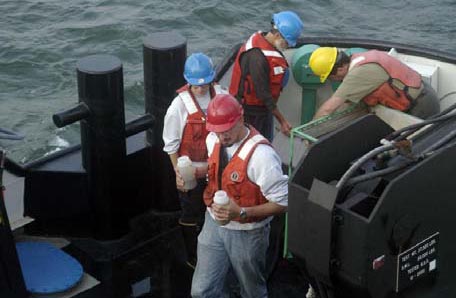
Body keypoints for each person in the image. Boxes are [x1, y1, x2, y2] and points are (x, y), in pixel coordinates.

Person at [190, 94, 289, 298]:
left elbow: (283, 202)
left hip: (248, 232)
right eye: (217, 132)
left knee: (252, 290)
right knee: (201, 291)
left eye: (227, 131)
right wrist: (197, 171)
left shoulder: (262, 157)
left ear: (241, 118)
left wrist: (242, 212)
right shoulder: (213, 139)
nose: (222, 137)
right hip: (214, 222)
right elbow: (216, 167)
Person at [162, 53, 227, 268]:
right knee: (191, 212)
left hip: (219, 165)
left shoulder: (222, 95)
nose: (200, 89)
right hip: (192, 170)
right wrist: (178, 173)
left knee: (219, 207)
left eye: (204, 85)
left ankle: (218, 248)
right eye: (195, 86)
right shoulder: (178, 107)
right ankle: (193, 256)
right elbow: (171, 145)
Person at [229, 11, 304, 141]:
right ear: (277, 35)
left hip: (264, 110)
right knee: (257, 144)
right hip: (251, 113)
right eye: (286, 42)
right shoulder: (257, 58)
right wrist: (282, 121)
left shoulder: (266, 42)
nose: (287, 47)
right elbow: (263, 94)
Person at [309, 47, 440, 119]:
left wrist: (309, 135)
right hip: (424, 93)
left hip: (421, 107)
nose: (332, 80)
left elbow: (328, 109)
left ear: (340, 68)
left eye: (330, 77)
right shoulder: (360, 58)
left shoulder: (358, 74)